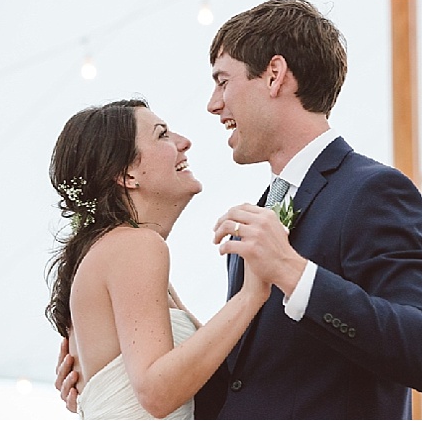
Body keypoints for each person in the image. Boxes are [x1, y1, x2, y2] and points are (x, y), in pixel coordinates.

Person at [56, 0, 422, 419]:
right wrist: (109, 381)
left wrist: (294, 273)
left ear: (274, 76)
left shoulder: (372, 191)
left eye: (223, 81)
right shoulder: (260, 216)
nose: (213, 104)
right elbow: (246, 389)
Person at [45, 98, 270, 419]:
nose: (183, 142)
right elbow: (156, 392)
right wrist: (252, 293)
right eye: (163, 134)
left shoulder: (110, 251)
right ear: (126, 174)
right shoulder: (136, 246)